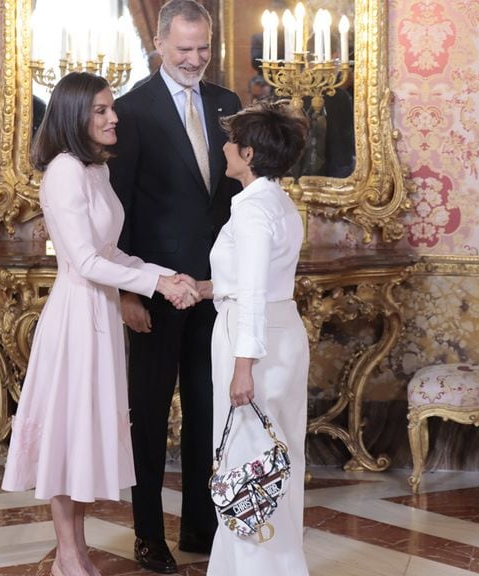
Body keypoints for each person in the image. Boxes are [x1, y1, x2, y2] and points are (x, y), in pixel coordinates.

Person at [1, 72, 200, 576]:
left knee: (86, 438)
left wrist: (163, 274)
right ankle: (68, 556)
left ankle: (78, 551)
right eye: (101, 111)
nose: (114, 118)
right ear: (74, 117)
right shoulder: (64, 171)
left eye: (112, 108)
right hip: (76, 317)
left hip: (101, 317)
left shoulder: (95, 169)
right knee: (69, 438)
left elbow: (112, 251)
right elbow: (86, 263)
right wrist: (157, 287)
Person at [107, 0, 243, 572]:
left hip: (213, 287)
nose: (195, 59)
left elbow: (232, 201)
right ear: (161, 44)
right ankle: (146, 535)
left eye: (203, 48)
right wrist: (130, 292)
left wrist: (230, 280)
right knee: (149, 412)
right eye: (184, 49)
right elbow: (120, 208)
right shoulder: (129, 110)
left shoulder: (227, 103)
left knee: (207, 414)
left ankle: (199, 528)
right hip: (157, 289)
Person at [196, 101, 311, 575]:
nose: (223, 146)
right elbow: (258, 279)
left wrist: (243, 366)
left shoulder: (251, 209)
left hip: (253, 340)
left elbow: (255, 293)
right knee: (281, 461)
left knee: (247, 468)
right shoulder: (279, 201)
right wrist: (208, 288)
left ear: (246, 152)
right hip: (282, 334)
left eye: (230, 141)